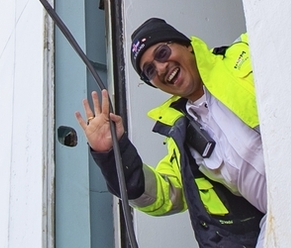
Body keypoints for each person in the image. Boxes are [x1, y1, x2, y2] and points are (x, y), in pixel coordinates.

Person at [77, 18, 266, 248]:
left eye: (162, 53)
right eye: (149, 71)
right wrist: (111, 153)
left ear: (185, 44)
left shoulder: (246, 52)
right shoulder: (183, 137)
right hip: (281, 219)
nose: (161, 68)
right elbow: (163, 195)